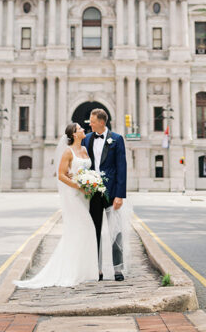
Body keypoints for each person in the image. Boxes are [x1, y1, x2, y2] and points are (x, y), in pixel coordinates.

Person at [14, 122, 99, 287]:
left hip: (85, 197)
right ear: (74, 134)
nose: (84, 129)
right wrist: (80, 186)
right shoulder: (68, 152)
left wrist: (91, 183)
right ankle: (71, 272)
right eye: (80, 128)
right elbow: (61, 175)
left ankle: (84, 271)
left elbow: (87, 171)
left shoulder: (85, 150)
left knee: (84, 231)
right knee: (82, 229)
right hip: (75, 196)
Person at [83, 107, 127, 281]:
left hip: (111, 193)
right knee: (94, 232)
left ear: (102, 122)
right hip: (92, 193)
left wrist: (120, 195)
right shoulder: (86, 139)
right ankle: (97, 269)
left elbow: (121, 168)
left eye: (92, 121)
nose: (90, 124)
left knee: (116, 232)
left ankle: (117, 269)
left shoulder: (116, 139)